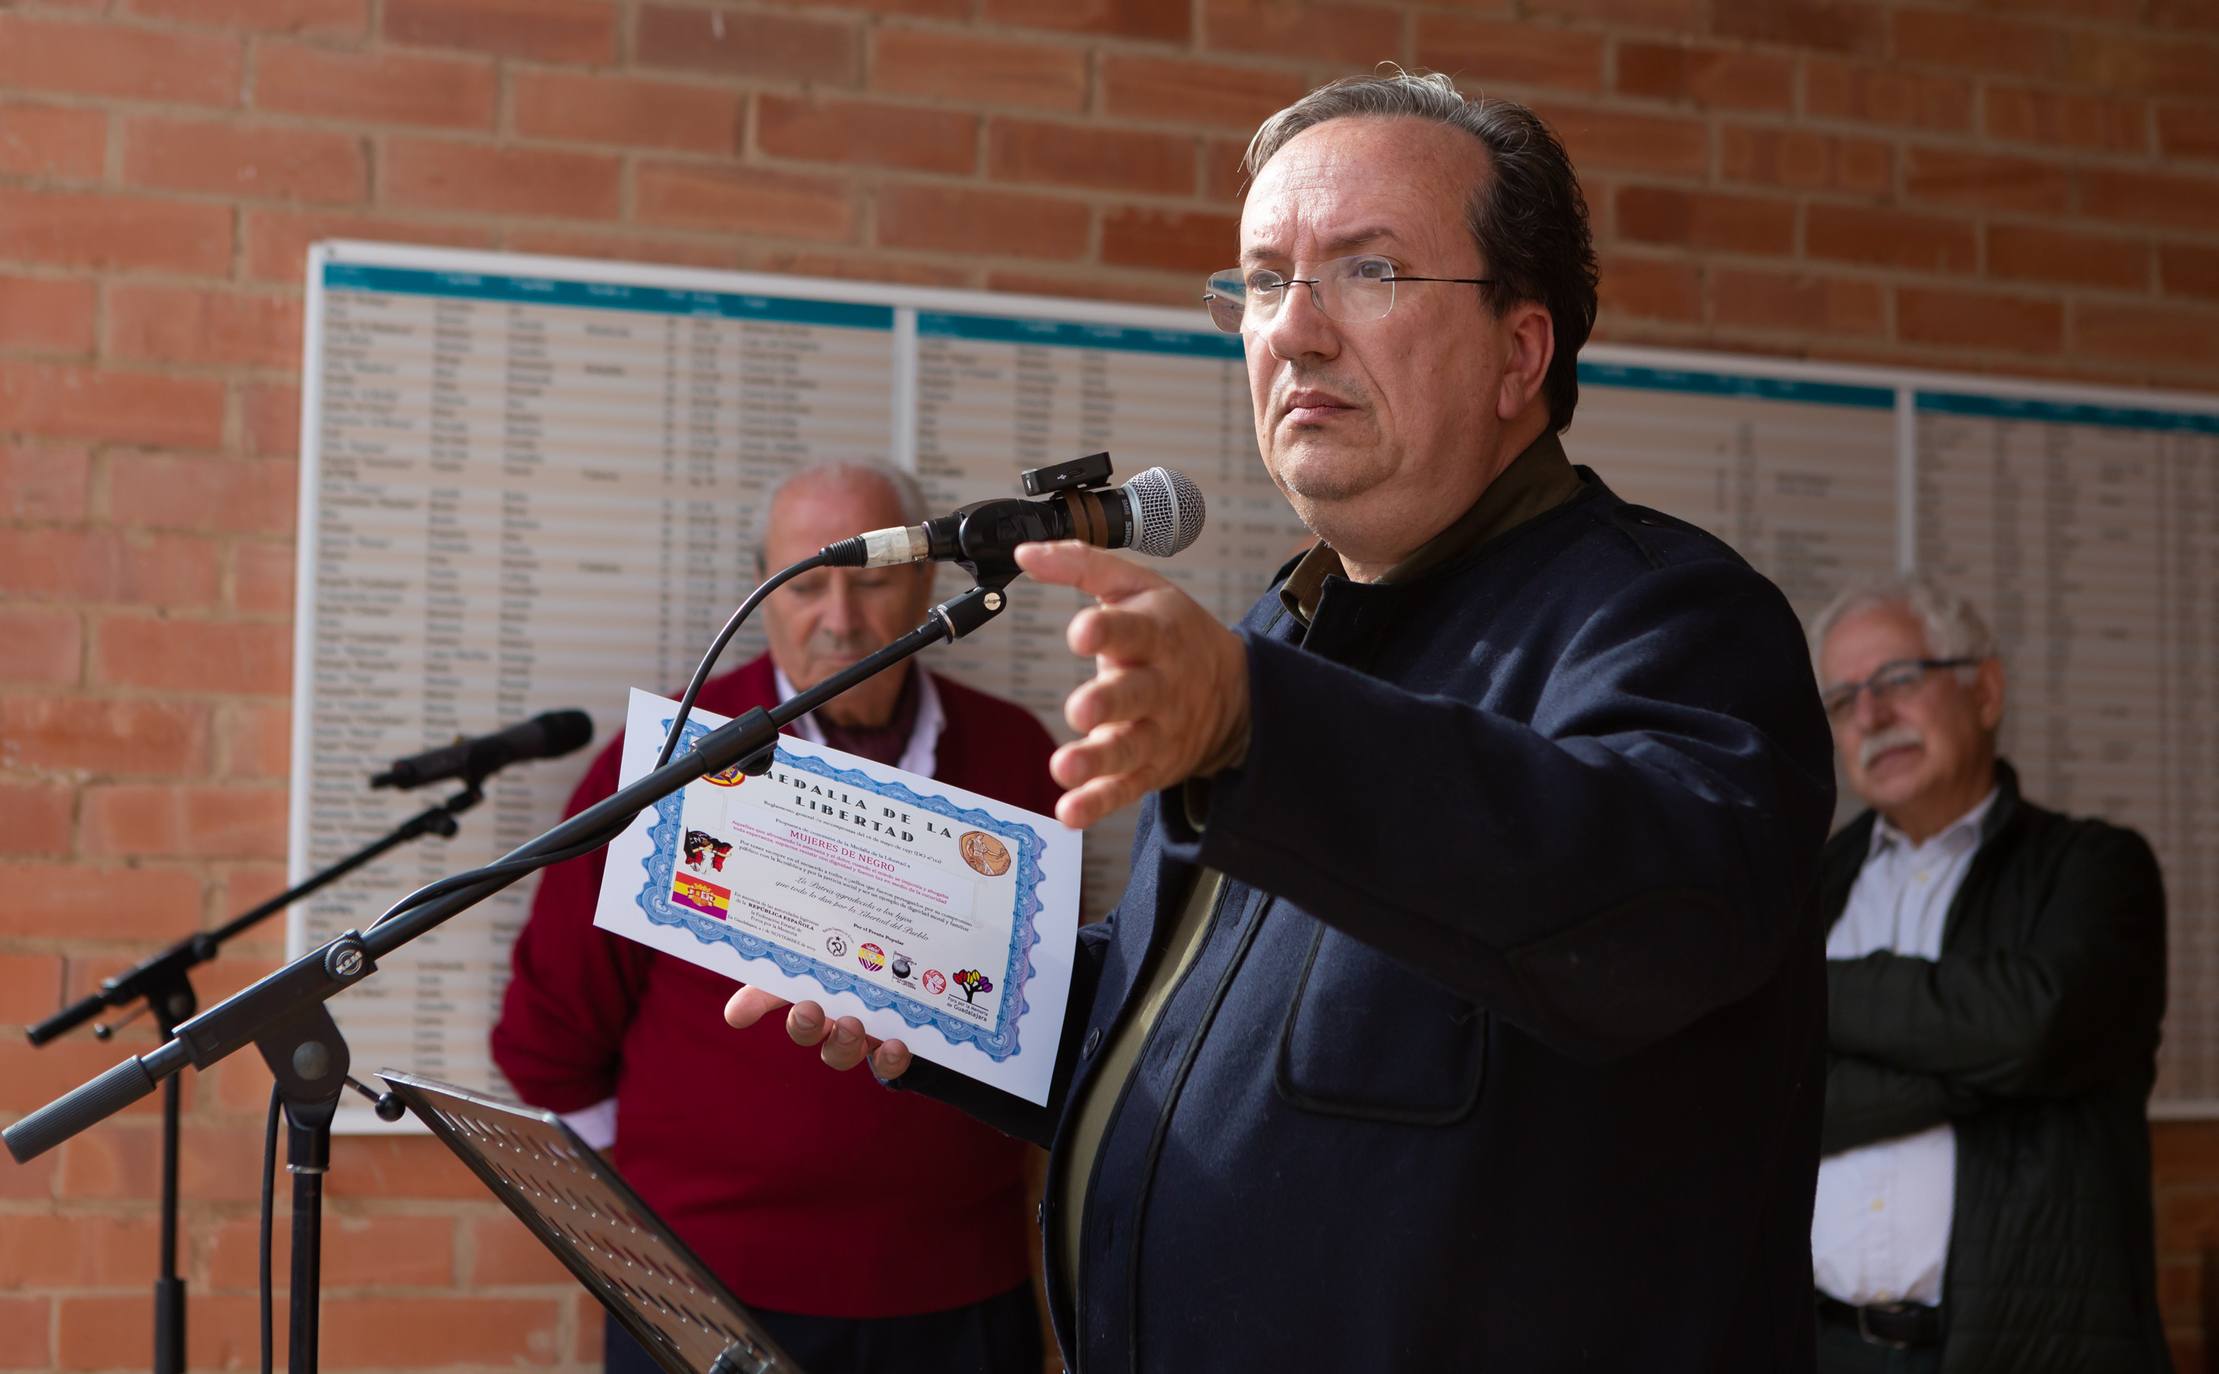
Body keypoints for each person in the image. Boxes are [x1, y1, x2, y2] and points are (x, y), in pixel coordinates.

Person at [729, 72, 1840, 1371]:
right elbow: (1177, 1035)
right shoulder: (1278, 637)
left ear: (1518, 351)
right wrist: (934, 976)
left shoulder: (1671, 619)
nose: (1292, 330)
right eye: (1260, 280)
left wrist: (1260, 726)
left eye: (1364, 270)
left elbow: (1642, 919)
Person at [492, 459, 1058, 1374]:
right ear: (762, 593)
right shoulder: (670, 759)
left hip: (958, 1299)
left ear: (925, 586)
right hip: (706, 1298)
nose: (840, 618)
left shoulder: (1017, 756)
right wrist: (646, 1240)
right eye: (807, 584)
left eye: (873, 581)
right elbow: (546, 1041)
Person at [1806, 574, 2169, 1373]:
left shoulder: (2095, 868)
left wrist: (1810, 991)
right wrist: (1983, 1062)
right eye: (1841, 698)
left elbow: (2034, 1026)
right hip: (1819, 1348)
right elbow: (1753, 1091)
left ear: (1985, 690)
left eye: (1897, 679)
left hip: (2029, 1349)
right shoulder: (1804, 888)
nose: (1870, 716)